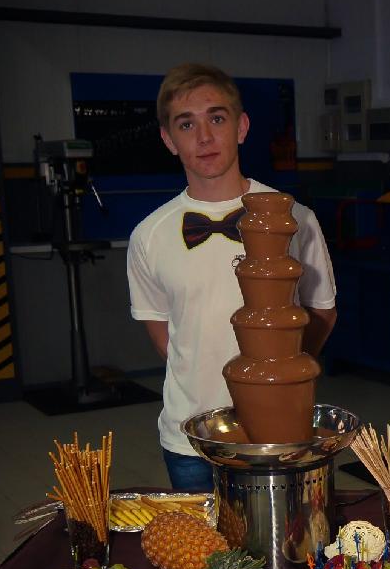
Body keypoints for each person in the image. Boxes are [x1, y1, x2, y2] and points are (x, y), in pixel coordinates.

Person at [127, 63, 336, 491]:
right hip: (190, 438)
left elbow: (323, 311)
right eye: (187, 124)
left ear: (241, 127)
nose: (204, 137)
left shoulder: (295, 218)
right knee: (201, 538)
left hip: (280, 433)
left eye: (217, 119)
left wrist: (278, 377)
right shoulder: (150, 235)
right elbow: (162, 331)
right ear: (169, 139)